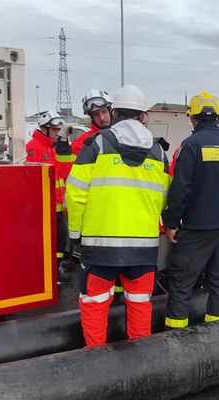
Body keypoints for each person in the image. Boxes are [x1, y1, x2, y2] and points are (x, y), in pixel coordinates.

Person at [66, 85, 170, 347]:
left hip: (100, 247)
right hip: (143, 248)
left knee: (95, 303)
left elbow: (76, 194)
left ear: (113, 112)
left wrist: (75, 234)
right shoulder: (159, 152)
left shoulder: (97, 145)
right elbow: (165, 198)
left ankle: (97, 362)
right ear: (143, 116)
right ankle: (140, 359)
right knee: (139, 303)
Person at [162, 91, 219, 329]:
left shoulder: (190, 146)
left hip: (196, 228)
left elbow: (180, 190)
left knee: (182, 284)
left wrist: (171, 224)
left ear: (192, 118)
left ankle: (176, 340)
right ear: (218, 117)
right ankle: (217, 337)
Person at [26, 110, 74, 282]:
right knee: (45, 242)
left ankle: (55, 269)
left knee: (60, 240)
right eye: (54, 130)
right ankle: (47, 272)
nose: (57, 133)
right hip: (43, 206)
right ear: (44, 129)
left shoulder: (54, 148)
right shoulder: (34, 147)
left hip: (58, 205)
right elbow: (32, 179)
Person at [71, 89, 113, 155]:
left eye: (103, 112)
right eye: (96, 114)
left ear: (110, 111)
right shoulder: (80, 143)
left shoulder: (124, 136)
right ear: (92, 117)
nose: (101, 118)